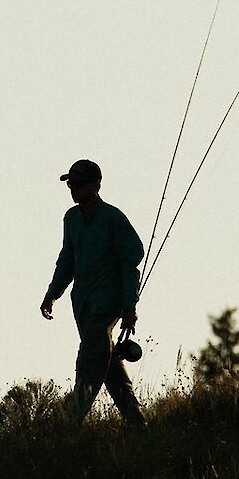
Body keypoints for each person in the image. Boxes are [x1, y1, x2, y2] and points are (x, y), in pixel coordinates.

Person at [40, 159, 147, 427]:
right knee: (107, 364)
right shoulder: (71, 218)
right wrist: (52, 294)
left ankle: (70, 424)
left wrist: (129, 306)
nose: (72, 189)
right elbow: (67, 259)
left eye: (77, 184)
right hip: (83, 305)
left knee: (89, 361)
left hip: (107, 305)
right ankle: (137, 423)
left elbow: (131, 259)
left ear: (95, 185)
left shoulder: (113, 218)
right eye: (70, 184)